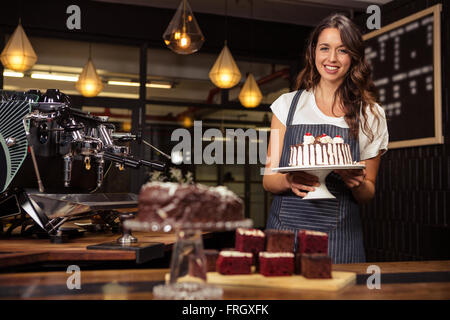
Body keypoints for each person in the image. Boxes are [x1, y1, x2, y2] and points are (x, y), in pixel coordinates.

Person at [263, 13, 388, 263]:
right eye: (325, 48)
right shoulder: (286, 106)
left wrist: (357, 183)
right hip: (284, 232)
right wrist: (288, 180)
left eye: (342, 50)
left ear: (353, 57)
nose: (332, 58)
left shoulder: (371, 114)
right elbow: (269, 180)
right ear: (313, 52)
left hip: (341, 236)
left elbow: (368, 192)